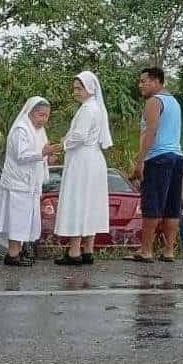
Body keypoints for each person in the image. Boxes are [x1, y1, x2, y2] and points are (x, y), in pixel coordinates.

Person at [53, 71, 114, 266]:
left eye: (79, 88)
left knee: (78, 201)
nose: (76, 92)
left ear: (89, 89)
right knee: (90, 203)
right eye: (75, 89)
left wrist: (63, 143)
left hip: (83, 161)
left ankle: (73, 251)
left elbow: (79, 136)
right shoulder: (96, 107)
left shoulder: (88, 109)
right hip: (93, 159)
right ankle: (88, 249)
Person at [0, 97, 61, 267]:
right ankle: (12, 254)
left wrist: (49, 157)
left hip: (31, 184)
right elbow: (22, 156)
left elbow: (40, 156)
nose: (43, 119)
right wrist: (43, 153)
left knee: (27, 220)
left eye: (46, 116)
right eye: (40, 115)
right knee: (18, 219)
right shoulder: (20, 130)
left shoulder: (40, 131)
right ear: (30, 112)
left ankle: (22, 250)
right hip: (18, 183)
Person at [129, 67, 183, 263]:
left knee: (152, 202)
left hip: (158, 157)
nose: (140, 85)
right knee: (172, 204)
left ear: (156, 81)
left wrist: (140, 162)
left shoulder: (154, 101)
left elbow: (151, 131)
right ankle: (169, 249)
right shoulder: (174, 102)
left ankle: (146, 249)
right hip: (177, 157)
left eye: (144, 81)